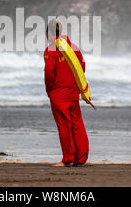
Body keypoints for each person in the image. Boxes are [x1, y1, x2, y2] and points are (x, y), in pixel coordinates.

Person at [44, 19, 89, 167]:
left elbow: (49, 72)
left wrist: (49, 90)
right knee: (77, 124)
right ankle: (80, 158)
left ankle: (67, 159)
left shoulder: (51, 49)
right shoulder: (73, 47)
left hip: (58, 94)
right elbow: (81, 67)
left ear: (49, 33)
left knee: (64, 125)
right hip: (73, 93)